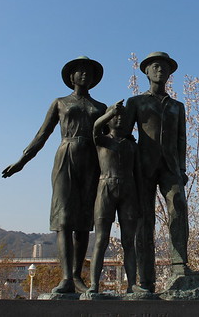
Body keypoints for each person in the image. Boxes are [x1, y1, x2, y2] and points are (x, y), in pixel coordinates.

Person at [2, 56, 107, 294]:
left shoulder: (101, 107)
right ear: (71, 77)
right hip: (66, 156)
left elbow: (113, 135)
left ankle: (77, 276)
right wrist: (22, 161)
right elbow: (42, 134)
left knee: (84, 221)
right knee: (64, 219)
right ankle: (66, 277)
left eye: (88, 72)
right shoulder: (60, 103)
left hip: (92, 161)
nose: (84, 74)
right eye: (79, 71)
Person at [124, 51, 199, 293]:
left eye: (164, 67)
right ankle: (146, 279)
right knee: (144, 220)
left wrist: (182, 168)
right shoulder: (135, 102)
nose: (160, 70)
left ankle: (179, 264)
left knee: (178, 207)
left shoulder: (177, 106)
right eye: (155, 66)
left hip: (171, 166)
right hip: (143, 166)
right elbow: (124, 134)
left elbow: (181, 139)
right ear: (146, 72)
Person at [87, 101, 140, 293]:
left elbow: (139, 174)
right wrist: (110, 112)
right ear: (108, 120)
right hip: (105, 188)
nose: (119, 119)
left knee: (129, 241)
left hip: (128, 190)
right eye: (115, 116)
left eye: (122, 117)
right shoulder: (102, 141)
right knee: (101, 239)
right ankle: (94, 285)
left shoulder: (132, 146)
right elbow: (95, 127)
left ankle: (132, 284)